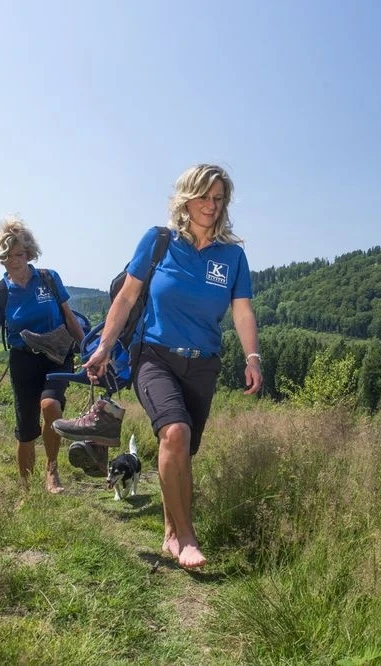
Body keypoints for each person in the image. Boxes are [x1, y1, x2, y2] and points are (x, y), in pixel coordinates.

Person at [78, 164, 263, 568]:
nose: (211, 206)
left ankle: (168, 531)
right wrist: (105, 345)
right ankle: (187, 535)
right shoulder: (158, 242)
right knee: (175, 432)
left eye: (218, 199)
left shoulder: (232, 256)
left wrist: (253, 357)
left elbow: (243, 312)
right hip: (155, 356)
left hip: (203, 365)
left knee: (181, 450)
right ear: (185, 198)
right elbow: (126, 299)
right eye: (204, 197)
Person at [0, 215, 85, 494]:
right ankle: (26, 490)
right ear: (0, 259)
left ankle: (52, 470)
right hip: (23, 360)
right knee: (25, 430)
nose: (15, 261)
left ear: (29, 253)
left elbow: (69, 318)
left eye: (20, 254)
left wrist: (89, 351)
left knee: (51, 407)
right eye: (8, 256)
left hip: (57, 355)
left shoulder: (48, 279)